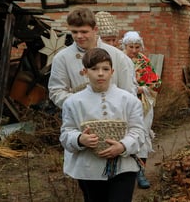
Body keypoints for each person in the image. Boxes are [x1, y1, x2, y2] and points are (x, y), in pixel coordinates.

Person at [60, 48, 145, 202]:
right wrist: (80, 139)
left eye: (105, 69)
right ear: (85, 72)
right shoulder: (73, 102)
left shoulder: (129, 100)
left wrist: (123, 146)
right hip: (88, 169)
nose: (100, 73)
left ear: (112, 71)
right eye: (94, 69)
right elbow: (66, 133)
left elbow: (138, 131)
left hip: (124, 167)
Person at [48, 7, 137, 109]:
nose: (79, 36)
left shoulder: (118, 56)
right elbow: (56, 91)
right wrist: (82, 104)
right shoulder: (61, 58)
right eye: (74, 32)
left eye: (84, 32)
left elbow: (129, 92)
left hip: (114, 117)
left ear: (95, 29)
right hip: (79, 117)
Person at [122, 31, 162, 189]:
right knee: (123, 137)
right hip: (122, 105)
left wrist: (142, 89)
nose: (133, 50)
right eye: (130, 46)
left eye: (137, 46)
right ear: (125, 46)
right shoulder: (118, 60)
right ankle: (123, 173)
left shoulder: (144, 62)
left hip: (142, 106)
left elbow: (156, 83)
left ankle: (140, 172)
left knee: (142, 136)